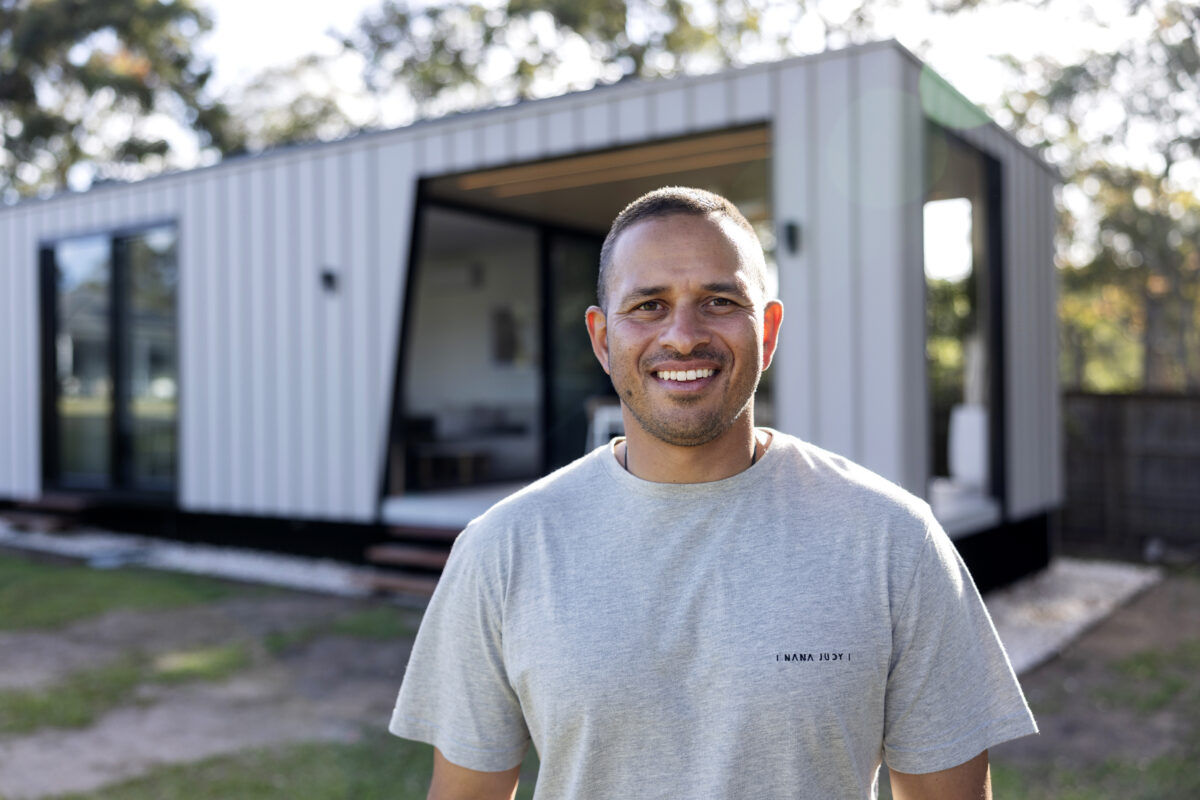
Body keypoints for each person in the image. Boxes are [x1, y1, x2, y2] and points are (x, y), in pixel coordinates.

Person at [390, 186, 1037, 799]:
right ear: (601, 338)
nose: (683, 334)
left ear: (769, 329)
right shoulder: (503, 548)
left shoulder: (894, 540)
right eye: (648, 305)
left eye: (720, 301)